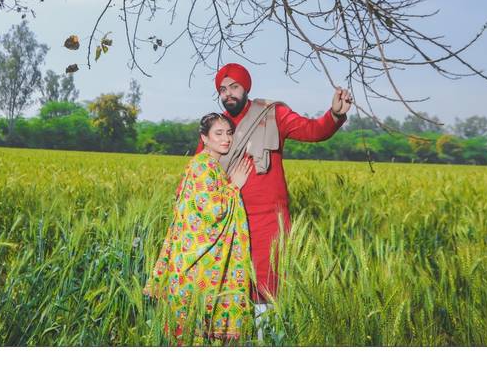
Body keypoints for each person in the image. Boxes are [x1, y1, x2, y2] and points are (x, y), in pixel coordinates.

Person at [195, 63, 353, 330]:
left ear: (246, 88)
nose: (228, 94)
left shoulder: (273, 114)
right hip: (226, 220)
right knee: (227, 284)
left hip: (268, 221)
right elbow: (199, 174)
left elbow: (312, 130)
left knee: (267, 286)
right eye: (223, 90)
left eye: (234, 87)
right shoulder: (217, 128)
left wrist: (334, 115)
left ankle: (264, 338)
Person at [143, 113, 257, 344]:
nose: (226, 139)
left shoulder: (208, 165)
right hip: (194, 268)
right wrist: (235, 186)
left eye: (229, 133)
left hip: (193, 265)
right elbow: (211, 213)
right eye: (218, 133)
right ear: (204, 137)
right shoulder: (202, 167)